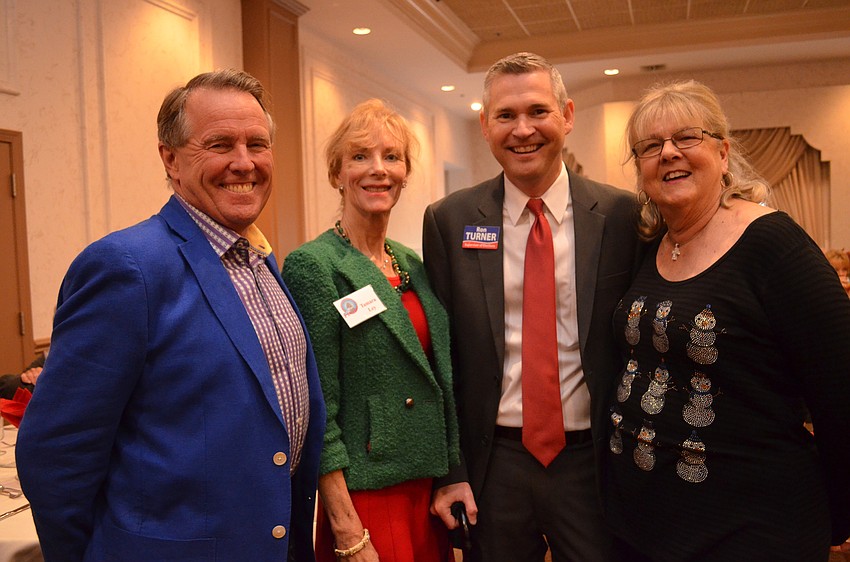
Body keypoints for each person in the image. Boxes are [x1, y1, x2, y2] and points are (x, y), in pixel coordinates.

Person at [15, 69, 326, 561]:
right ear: (171, 159)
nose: (244, 163)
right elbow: (56, 454)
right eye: (220, 144)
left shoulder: (262, 261)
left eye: (258, 144)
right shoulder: (126, 268)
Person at [605, 79, 850, 561]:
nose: (669, 153)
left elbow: (841, 387)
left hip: (749, 529)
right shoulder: (651, 246)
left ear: (723, 151)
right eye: (650, 146)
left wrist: (839, 511)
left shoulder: (773, 244)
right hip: (644, 523)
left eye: (687, 138)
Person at [422, 52, 641, 561]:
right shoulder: (450, 221)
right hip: (495, 463)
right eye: (505, 115)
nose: (523, 130)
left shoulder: (620, 215)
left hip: (594, 461)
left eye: (538, 111)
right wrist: (451, 470)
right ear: (484, 125)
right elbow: (444, 360)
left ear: (566, 115)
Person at [282, 99, 460, 562]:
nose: (377, 170)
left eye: (391, 157)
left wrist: (451, 473)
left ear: (404, 173)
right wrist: (345, 525)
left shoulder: (414, 264)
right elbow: (318, 407)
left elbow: (440, 380)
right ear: (336, 173)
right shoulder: (314, 266)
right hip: (366, 497)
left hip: (427, 491)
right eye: (360, 156)